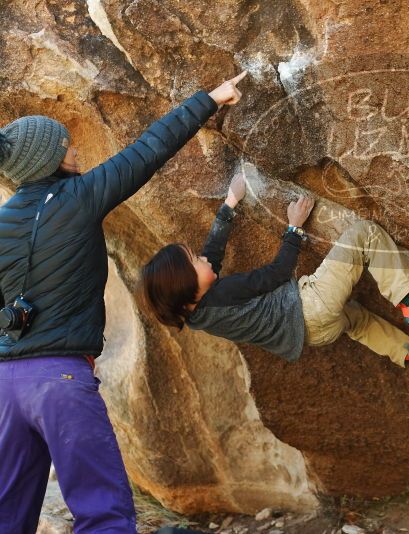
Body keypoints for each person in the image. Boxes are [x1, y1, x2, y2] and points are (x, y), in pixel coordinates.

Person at [0, 71, 248, 534]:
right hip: (61, 378)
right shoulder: (80, 197)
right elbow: (149, 150)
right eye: (66, 147)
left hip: (5, 384)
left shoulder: (2, 222)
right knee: (103, 515)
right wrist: (211, 98)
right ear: (48, 160)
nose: (74, 151)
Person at [137, 171, 409, 368]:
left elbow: (211, 258)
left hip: (314, 335)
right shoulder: (222, 294)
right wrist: (294, 229)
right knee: (364, 234)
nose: (203, 259)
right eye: (194, 261)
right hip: (311, 306)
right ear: (188, 291)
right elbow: (277, 273)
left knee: (356, 319)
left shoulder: (199, 312)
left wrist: (229, 206)